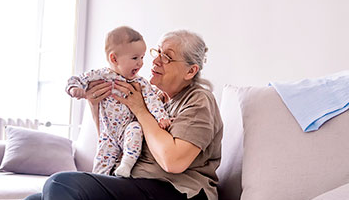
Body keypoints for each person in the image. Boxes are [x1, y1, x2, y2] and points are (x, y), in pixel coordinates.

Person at [25, 29, 223, 200]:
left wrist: (139, 109)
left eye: (167, 57)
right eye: (157, 52)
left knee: (61, 183)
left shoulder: (198, 100)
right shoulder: (154, 97)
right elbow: (115, 139)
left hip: (178, 191)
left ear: (191, 71)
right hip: (135, 183)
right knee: (35, 198)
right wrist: (94, 105)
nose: (155, 60)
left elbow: (173, 162)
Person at [65, 26, 170, 177]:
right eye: (135, 58)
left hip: (127, 129)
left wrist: (161, 117)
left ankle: (126, 164)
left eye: (142, 57)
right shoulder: (101, 75)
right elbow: (76, 79)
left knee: (135, 129)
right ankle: (97, 182)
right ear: (114, 59)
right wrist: (75, 89)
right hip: (108, 133)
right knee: (101, 163)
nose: (140, 63)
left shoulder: (140, 83)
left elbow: (153, 100)